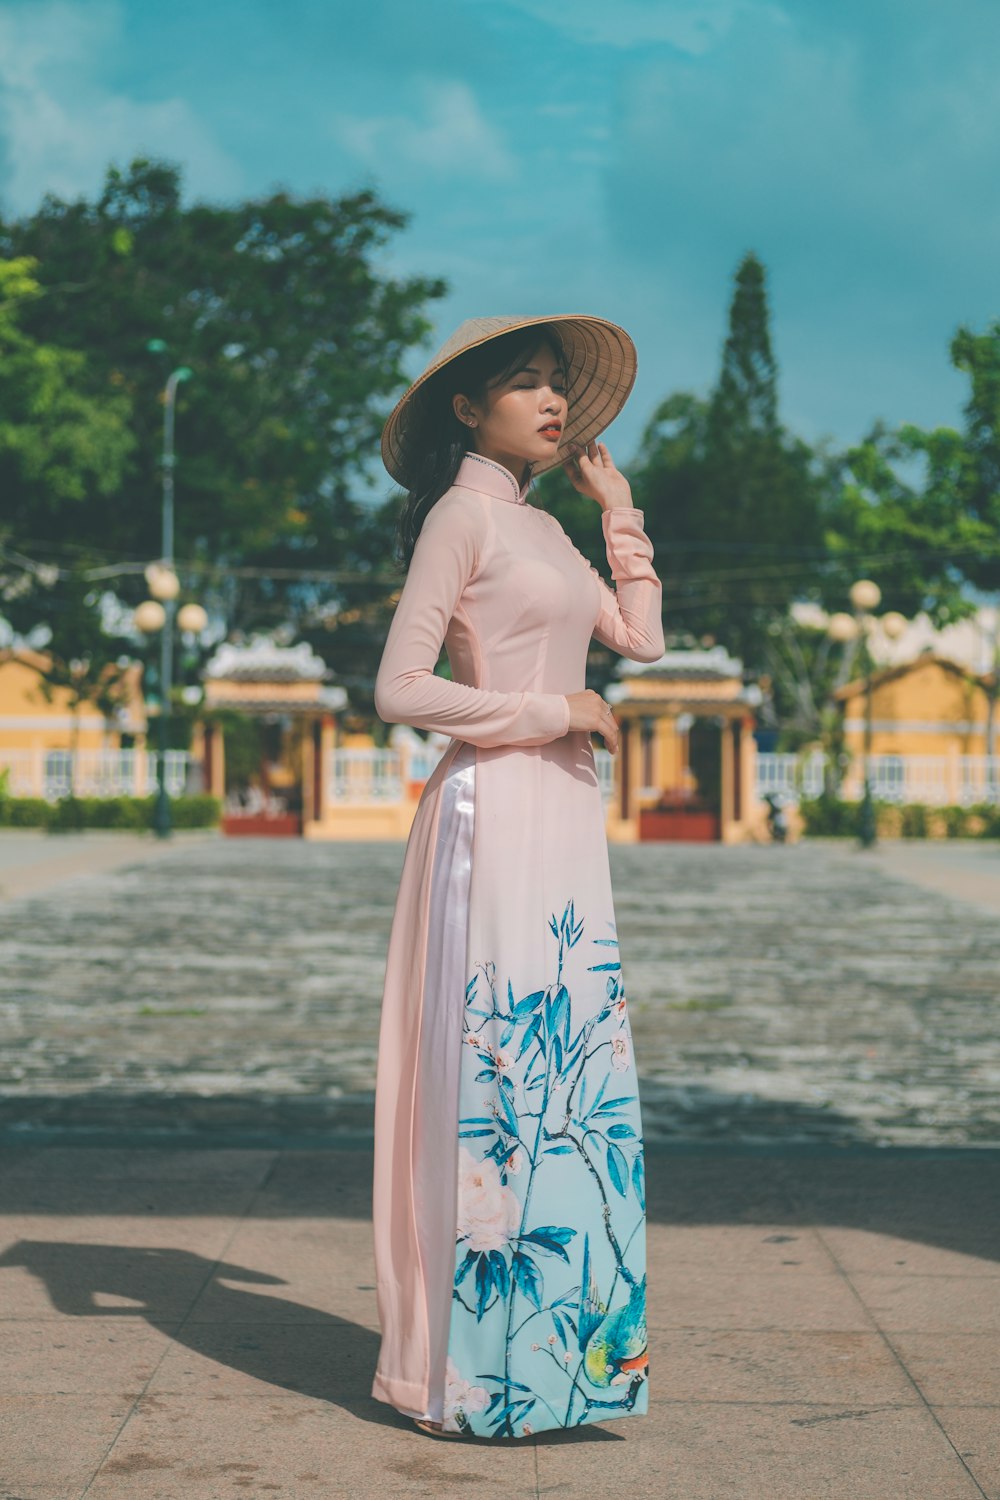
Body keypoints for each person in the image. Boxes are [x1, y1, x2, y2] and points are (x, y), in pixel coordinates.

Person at [370, 315, 664, 1440]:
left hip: (563, 814)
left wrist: (618, 514)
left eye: (556, 386)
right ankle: (476, 1375)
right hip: (491, 812)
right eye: (525, 386)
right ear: (465, 408)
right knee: (503, 1080)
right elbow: (400, 688)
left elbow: (637, 641)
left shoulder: (544, 531)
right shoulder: (461, 517)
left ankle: (566, 1371)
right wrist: (551, 711)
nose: (551, 402)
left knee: (573, 1081)